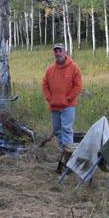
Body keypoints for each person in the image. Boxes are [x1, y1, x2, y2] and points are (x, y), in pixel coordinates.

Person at [42, 43, 83, 172]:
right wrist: (50, 98)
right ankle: (63, 153)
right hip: (54, 106)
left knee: (66, 130)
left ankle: (69, 161)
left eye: (60, 51)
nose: (58, 53)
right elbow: (45, 85)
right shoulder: (50, 70)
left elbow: (78, 86)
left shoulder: (74, 68)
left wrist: (69, 98)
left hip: (68, 106)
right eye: (56, 51)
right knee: (57, 130)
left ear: (65, 52)